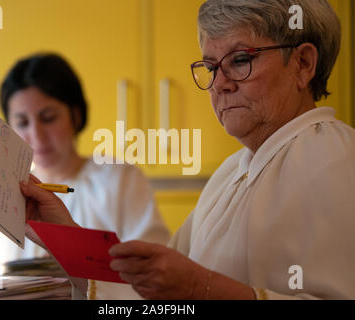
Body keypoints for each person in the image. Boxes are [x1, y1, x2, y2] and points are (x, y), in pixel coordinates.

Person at [20, 0, 355, 300]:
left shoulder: (336, 159)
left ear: (303, 64)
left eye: (240, 60)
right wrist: (64, 237)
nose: (220, 83)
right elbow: (154, 294)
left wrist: (199, 289)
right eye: (210, 67)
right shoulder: (231, 173)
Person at [0, 53, 171, 300]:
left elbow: (154, 278)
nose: (37, 135)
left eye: (48, 118)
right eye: (22, 122)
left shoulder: (121, 179)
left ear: (75, 115)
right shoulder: (4, 193)